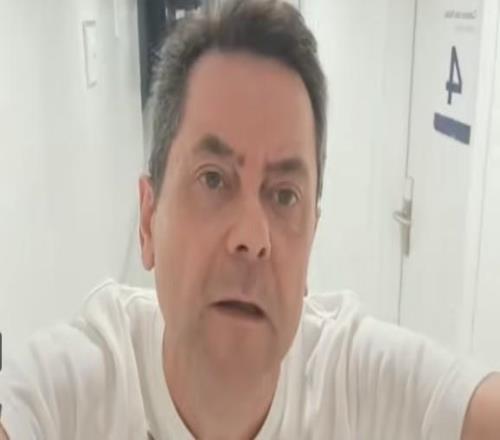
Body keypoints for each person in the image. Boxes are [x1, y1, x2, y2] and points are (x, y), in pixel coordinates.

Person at [1, 0, 499, 438]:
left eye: (284, 195)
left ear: (311, 239)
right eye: (213, 179)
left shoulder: (355, 382)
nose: (252, 237)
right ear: (149, 220)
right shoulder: (75, 391)